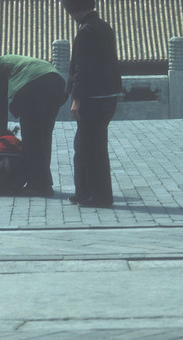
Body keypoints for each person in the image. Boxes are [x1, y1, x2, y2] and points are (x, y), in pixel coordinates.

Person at [62, 0, 122, 207]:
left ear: (73, 10)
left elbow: (82, 69)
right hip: (108, 97)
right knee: (85, 145)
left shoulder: (85, 32)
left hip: (91, 99)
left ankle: (100, 196)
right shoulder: (105, 27)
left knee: (92, 148)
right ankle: (84, 191)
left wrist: (76, 99)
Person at [0, 55, 67, 197]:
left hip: (33, 85)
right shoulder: (12, 63)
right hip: (57, 83)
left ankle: (38, 186)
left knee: (31, 139)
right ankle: (44, 183)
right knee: (43, 137)